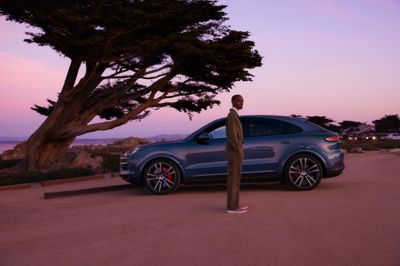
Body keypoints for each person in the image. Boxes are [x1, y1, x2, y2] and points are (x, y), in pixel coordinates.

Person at [225, 94, 248, 214]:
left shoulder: (235, 115)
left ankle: (235, 205)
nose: (242, 103)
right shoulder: (232, 115)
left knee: (236, 178)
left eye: (242, 101)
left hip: (236, 150)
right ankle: (232, 207)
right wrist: (239, 149)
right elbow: (232, 136)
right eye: (239, 101)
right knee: (233, 178)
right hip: (234, 151)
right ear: (233, 102)